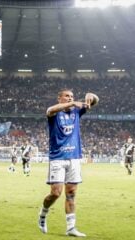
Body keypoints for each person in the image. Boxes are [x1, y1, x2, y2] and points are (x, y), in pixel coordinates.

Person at [38, 89, 99, 237]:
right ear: (59, 98)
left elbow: (94, 101)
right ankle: (42, 215)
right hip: (58, 158)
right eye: (67, 96)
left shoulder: (76, 112)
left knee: (71, 194)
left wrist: (90, 97)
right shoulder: (54, 114)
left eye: (72, 96)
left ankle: (71, 228)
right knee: (56, 193)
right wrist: (73, 103)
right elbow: (50, 109)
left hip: (74, 158)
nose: (70, 98)